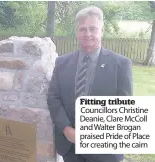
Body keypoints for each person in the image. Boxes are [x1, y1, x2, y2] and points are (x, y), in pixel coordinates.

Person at [47, 6, 132, 162]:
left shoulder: (121, 64)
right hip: (70, 147)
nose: (88, 34)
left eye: (93, 28)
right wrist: (66, 129)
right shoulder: (62, 63)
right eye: (82, 29)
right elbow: (53, 97)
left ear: (102, 30)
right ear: (76, 32)